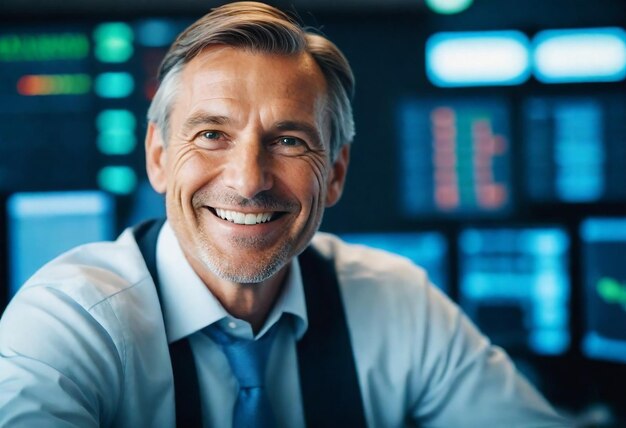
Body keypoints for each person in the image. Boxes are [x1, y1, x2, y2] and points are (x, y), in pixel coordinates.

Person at [0, 2, 570, 427]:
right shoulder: (70, 322)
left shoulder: (397, 303)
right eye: (211, 134)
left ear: (337, 171)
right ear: (158, 157)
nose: (248, 180)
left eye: (290, 141)